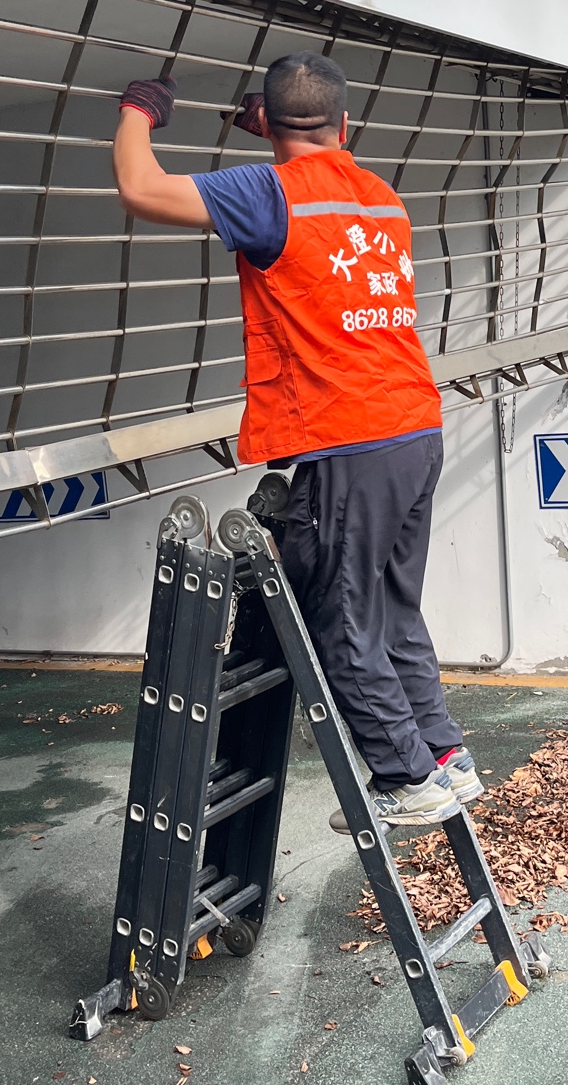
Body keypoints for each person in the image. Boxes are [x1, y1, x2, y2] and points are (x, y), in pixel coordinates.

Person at [113, 52, 483, 830]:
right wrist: (284, 139)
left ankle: (407, 778)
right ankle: (445, 754)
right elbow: (316, 183)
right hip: (414, 427)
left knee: (340, 619)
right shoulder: (380, 197)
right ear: (345, 124)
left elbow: (142, 189)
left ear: (271, 129)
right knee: (392, 610)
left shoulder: (265, 192)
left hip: (348, 440)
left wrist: (139, 110)